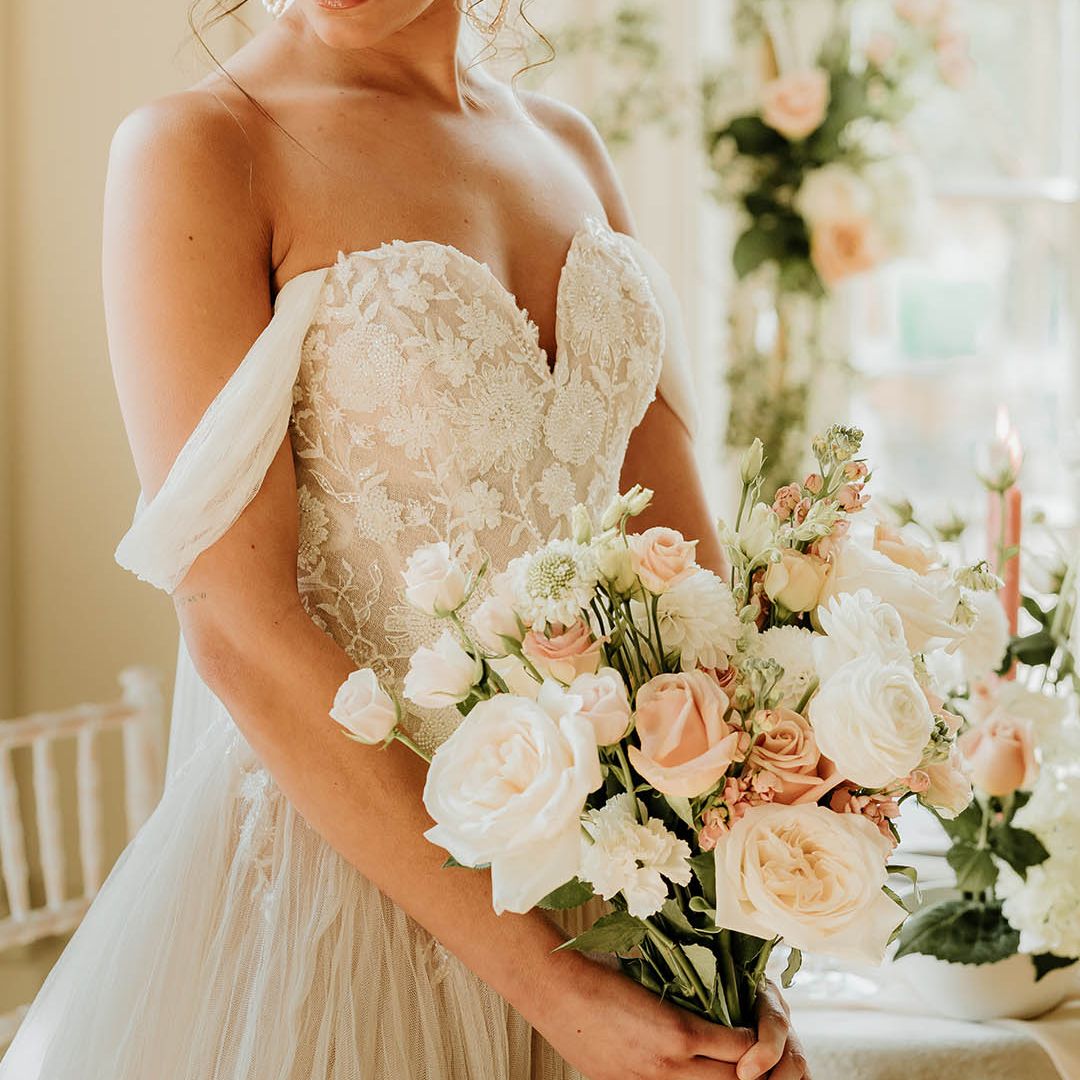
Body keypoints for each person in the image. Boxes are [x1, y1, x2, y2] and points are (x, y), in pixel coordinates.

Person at [0, 2, 808, 1077]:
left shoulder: (567, 148)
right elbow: (241, 628)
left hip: (613, 882)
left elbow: (683, 588)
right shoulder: (203, 146)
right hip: (348, 905)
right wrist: (552, 986)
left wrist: (727, 940)